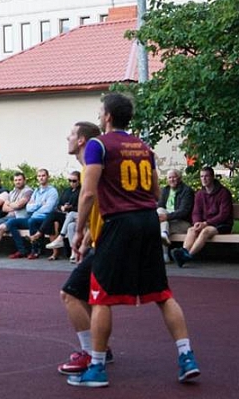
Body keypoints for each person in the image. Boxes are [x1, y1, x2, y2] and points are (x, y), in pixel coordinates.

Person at [69, 93, 199, 387]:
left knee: (100, 297)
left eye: (101, 111)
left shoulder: (98, 145)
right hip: (149, 221)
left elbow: (88, 193)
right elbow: (155, 193)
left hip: (119, 224)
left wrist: (79, 233)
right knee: (163, 294)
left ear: (107, 117)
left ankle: (98, 368)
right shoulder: (143, 146)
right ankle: (186, 355)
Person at [55, 121, 116, 376]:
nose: (67, 137)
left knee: (69, 293)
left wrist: (79, 232)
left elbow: (91, 199)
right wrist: (87, 238)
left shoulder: (94, 170)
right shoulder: (92, 169)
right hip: (103, 240)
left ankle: (91, 354)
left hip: (110, 242)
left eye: (71, 134)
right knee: (89, 296)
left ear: (81, 140)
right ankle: (102, 349)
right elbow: (102, 211)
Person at [172, 166, 233, 267]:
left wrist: (206, 223)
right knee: (192, 230)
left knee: (205, 231)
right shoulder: (200, 194)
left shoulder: (223, 193)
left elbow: (224, 215)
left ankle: (187, 256)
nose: (204, 179)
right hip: (205, 223)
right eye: (201, 176)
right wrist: (197, 223)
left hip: (222, 224)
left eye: (206, 176)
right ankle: (184, 252)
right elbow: (196, 212)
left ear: (212, 177)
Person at [5, 169, 58, 259]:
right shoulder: (36, 191)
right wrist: (40, 204)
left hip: (45, 219)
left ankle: (35, 250)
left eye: (43, 176)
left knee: (32, 221)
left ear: (48, 177)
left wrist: (34, 207)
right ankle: (22, 250)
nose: (41, 178)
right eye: (39, 176)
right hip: (32, 217)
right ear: (37, 178)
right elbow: (28, 208)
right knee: (11, 222)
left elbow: (48, 209)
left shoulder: (52, 192)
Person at [29, 171, 80, 260]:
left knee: (52, 215)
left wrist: (70, 208)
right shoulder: (67, 191)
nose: (71, 183)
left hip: (76, 217)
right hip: (65, 216)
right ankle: (38, 249)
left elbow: (82, 207)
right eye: (69, 180)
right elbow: (59, 204)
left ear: (79, 180)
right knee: (46, 219)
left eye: (74, 181)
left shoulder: (81, 191)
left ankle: (39, 235)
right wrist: (63, 207)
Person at [157, 169, 194, 248]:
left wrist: (167, 217)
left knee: (159, 227)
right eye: (169, 178)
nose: (172, 180)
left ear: (179, 178)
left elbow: (184, 211)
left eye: (174, 177)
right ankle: (164, 234)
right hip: (167, 221)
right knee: (159, 210)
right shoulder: (165, 190)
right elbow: (160, 206)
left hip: (183, 222)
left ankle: (165, 255)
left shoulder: (186, 191)